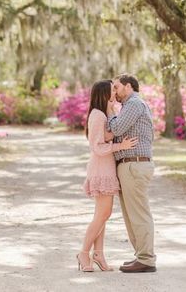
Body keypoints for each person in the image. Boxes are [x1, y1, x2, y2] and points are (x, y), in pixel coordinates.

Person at [77, 79, 138, 273]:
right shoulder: (96, 115)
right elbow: (97, 147)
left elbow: (110, 132)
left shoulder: (105, 113)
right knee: (104, 214)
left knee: (101, 215)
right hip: (100, 168)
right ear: (105, 93)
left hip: (107, 168)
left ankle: (99, 254)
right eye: (113, 90)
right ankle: (84, 253)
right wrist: (122, 146)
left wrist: (111, 109)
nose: (116, 93)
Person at [107, 73, 156, 273]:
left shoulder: (134, 104)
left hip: (134, 166)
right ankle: (141, 256)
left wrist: (109, 110)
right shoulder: (129, 106)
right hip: (129, 165)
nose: (115, 92)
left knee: (139, 214)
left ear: (128, 86)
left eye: (117, 87)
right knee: (130, 215)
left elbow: (117, 129)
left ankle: (146, 259)